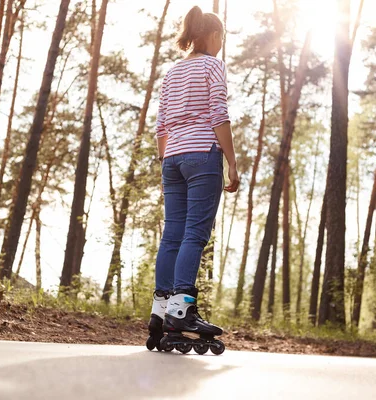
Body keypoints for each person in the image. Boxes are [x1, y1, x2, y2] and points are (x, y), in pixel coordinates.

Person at [146, 5, 239, 355]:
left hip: (172, 158)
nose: (221, 45)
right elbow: (219, 113)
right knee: (194, 234)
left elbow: (161, 127)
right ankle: (182, 310)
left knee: (172, 234)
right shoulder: (213, 65)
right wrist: (231, 162)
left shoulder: (172, 72)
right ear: (212, 36)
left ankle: (161, 310)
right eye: (222, 38)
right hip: (203, 156)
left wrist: (166, 162)